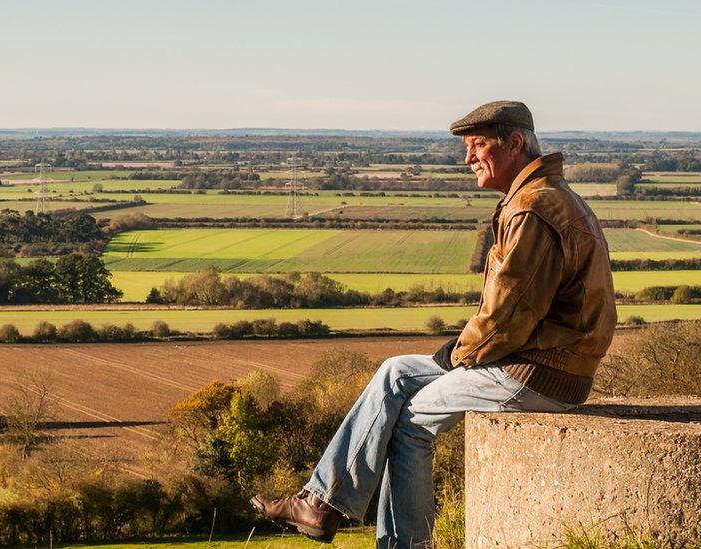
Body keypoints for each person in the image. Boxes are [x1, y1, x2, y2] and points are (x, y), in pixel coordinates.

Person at [250, 101, 617, 548]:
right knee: (395, 372)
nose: (468, 158)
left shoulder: (532, 209)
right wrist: (461, 348)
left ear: (515, 143)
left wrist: (459, 353)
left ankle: (402, 544)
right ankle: (320, 500)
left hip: (535, 371)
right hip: (542, 359)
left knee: (408, 421)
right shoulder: (548, 197)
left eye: (478, 144)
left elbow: (509, 317)